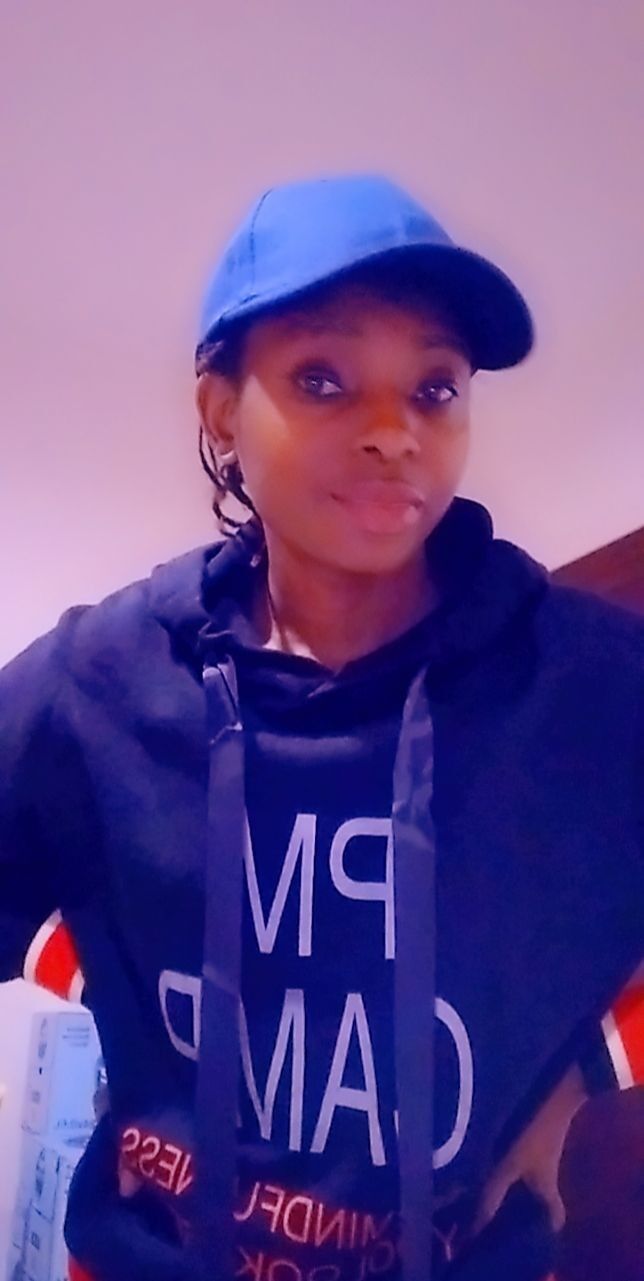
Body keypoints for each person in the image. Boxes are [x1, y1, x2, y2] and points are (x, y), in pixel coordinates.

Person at [1, 173, 643, 1281]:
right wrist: (85, 967)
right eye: (322, 379)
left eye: (434, 387)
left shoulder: (586, 685)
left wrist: (589, 1070)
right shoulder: (99, 683)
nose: (393, 432)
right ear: (219, 407)